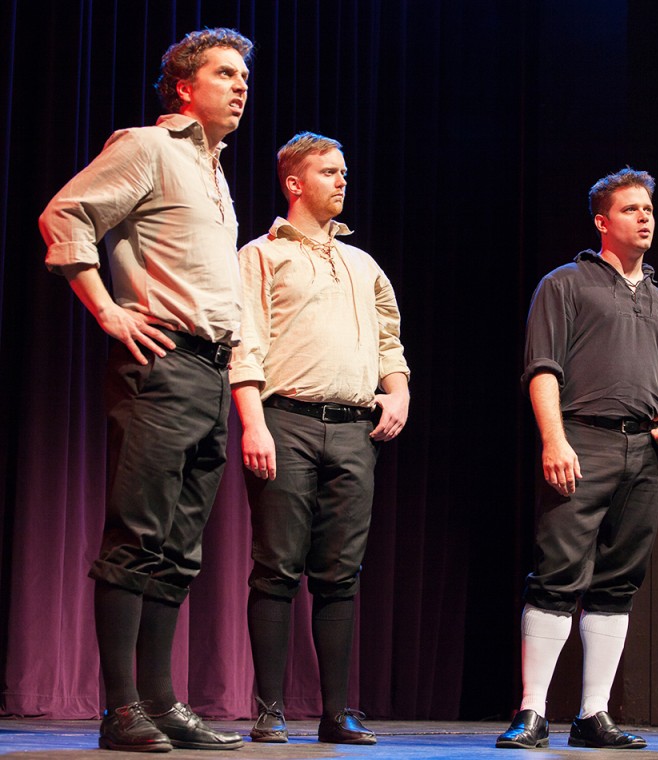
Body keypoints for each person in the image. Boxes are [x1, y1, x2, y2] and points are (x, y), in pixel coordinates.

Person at [38, 28, 253, 752]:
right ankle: (120, 709)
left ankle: (162, 703)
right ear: (185, 87)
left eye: (244, 76)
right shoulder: (148, 147)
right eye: (225, 73)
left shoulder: (216, 174)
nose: (241, 85)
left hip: (208, 370)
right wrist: (106, 308)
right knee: (137, 535)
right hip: (158, 364)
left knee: (179, 545)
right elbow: (65, 214)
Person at [497, 168, 658, 750]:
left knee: (618, 583)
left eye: (650, 210)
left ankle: (592, 714)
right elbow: (542, 370)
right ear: (602, 221)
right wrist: (554, 440)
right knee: (558, 574)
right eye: (632, 209)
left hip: (646, 452)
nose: (646, 218)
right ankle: (532, 711)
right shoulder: (565, 284)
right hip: (584, 442)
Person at [229, 132, 410, 746]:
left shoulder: (363, 263)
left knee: (341, 573)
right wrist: (252, 420)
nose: (342, 180)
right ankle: (271, 708)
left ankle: (337, 712)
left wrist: (399, 391)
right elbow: (244, 341)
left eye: (344, 172)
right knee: (277, 567)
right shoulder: (261, 254)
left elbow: (390, 337)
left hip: (355, 428)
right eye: (329, 172)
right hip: (287, 421)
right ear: (294, 183)